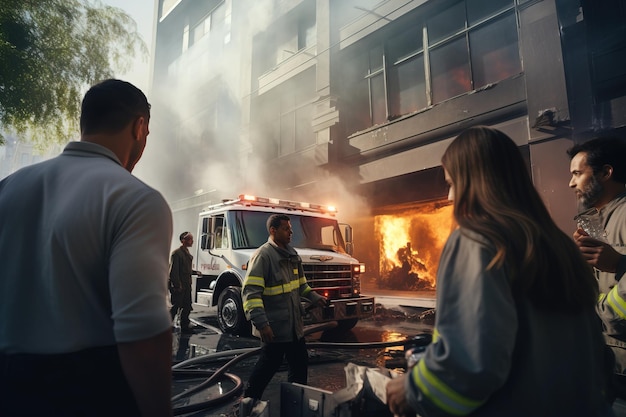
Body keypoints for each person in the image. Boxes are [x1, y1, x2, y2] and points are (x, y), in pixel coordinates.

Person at [386, 126, 613, 417]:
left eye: (452, 183)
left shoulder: (476, 240)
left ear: (474, 182)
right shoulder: (560, 246)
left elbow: (472, 365)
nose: (449, 197)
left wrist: (413, 390)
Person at [0, 79, 173, 417]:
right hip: (86, 393)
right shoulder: (135, 200)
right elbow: (143, 338)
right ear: (140, 127)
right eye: (147, 135)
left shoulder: (8, 189)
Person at [241, 213, 327, 401]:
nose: (291, 232)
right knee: (267, 366)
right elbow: (251, 293)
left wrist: (314, 297)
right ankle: (248, 403)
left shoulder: (292, 255)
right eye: (286, 229)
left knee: (299, 366)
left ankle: (295, 403)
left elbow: (301, 285)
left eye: (291, 229)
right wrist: (262, 324)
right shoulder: (263, 256)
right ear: (273, 231)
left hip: (295, 327)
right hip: (275, 328)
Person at [568, 136, 626, 399]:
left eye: (578, 173)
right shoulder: (599, 219)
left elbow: (617, 312)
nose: (571, 183)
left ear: (606, 172)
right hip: (610, 363)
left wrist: (619, 263)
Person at [169, 231, 199, 333]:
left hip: (187, 284)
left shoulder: (186, 253)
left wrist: (195, 272)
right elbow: (174, 271)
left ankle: (185, 325)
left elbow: (185, 269)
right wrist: (177, 285)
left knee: (187, 305)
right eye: (190, 239)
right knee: (176, 306)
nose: (192, 241)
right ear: (183, 241)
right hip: (180, 285)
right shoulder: (177, 254)